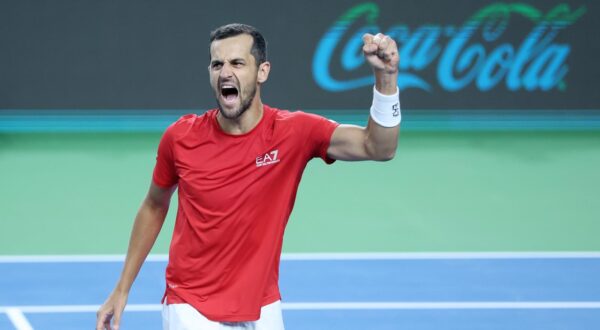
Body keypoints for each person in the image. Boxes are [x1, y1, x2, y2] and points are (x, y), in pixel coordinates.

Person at [96, 23, 400, 330]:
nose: (225, 72)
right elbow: (154, 205)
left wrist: (385, 79)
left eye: (237, 63)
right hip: (191, 306)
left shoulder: (295, 132)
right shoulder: (180, 138)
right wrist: (122, 288)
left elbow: (378, 147)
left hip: (262, 305)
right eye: (217, 64)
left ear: (262, 71)